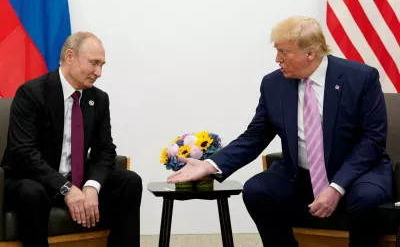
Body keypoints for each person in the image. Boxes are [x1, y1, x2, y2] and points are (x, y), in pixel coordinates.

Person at [168, 16, 393, 247]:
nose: (277, 59)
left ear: (310, 53)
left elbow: (372, 140)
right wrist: (210, 165)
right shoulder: (273, 84)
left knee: (367, 200)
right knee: (257, 190)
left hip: (357, 174)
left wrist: (336, 186)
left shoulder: (361, 78)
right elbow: (256, 135)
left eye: (284, 52)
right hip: (302, 175)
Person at [1, 32, 142, 247]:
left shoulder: (99, 99)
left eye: (102, 65)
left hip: (77, 180)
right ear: (70, 57)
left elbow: (105, 149)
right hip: (35, 181)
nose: (99, 72)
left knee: (129, 182)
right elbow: (24, 153)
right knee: (31, 191)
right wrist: (65, 188)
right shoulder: (31, 93)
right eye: (94, 63)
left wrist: (92, 186)